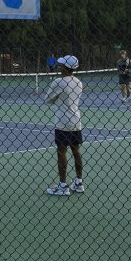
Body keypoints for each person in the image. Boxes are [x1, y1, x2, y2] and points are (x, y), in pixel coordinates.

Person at [45, 55, 85, 196]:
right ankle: (79, 182)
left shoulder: (58, 82)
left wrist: (57, 97)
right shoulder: (79, 82)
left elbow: (47, 99)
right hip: (76, 121)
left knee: (61, 152)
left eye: (61, 65)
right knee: (76, 151)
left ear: (66, 68)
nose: (59, 67)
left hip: (62, 122)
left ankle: (63, 186)